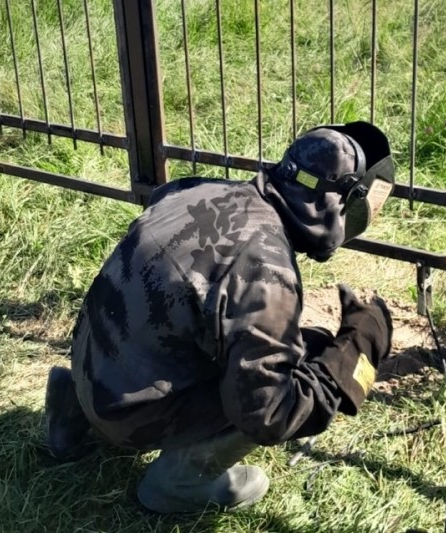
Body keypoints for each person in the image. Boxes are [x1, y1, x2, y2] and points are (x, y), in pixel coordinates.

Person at [43, 121, 396, 513]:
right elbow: (269, 414)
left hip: (90, 367)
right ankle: (181, 482)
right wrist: (358, 352)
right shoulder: (265, 269)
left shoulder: (199, 189)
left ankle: (71, 410)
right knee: (295, 372)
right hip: (126, 413)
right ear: (340, 201)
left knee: (299, 340)